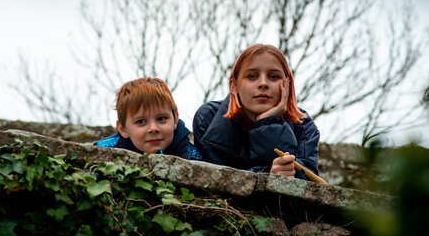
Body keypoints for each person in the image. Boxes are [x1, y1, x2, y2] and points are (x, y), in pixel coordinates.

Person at [192, 44, 319, 180]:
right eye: (252, 76)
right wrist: (267, 176)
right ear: (234, 86)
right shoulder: (209, 118)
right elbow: (216, 182)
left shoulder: (303, 125)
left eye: (273, 76)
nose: (263, 83)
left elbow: (311, 183)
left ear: (287, 84)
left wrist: (269, 123)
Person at [95, 77, 202, 160]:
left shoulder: (190, 155)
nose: (153, 128)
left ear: (175, 120)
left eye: (161, 119)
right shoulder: (105, 150)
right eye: (141, 121)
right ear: (123, 129)